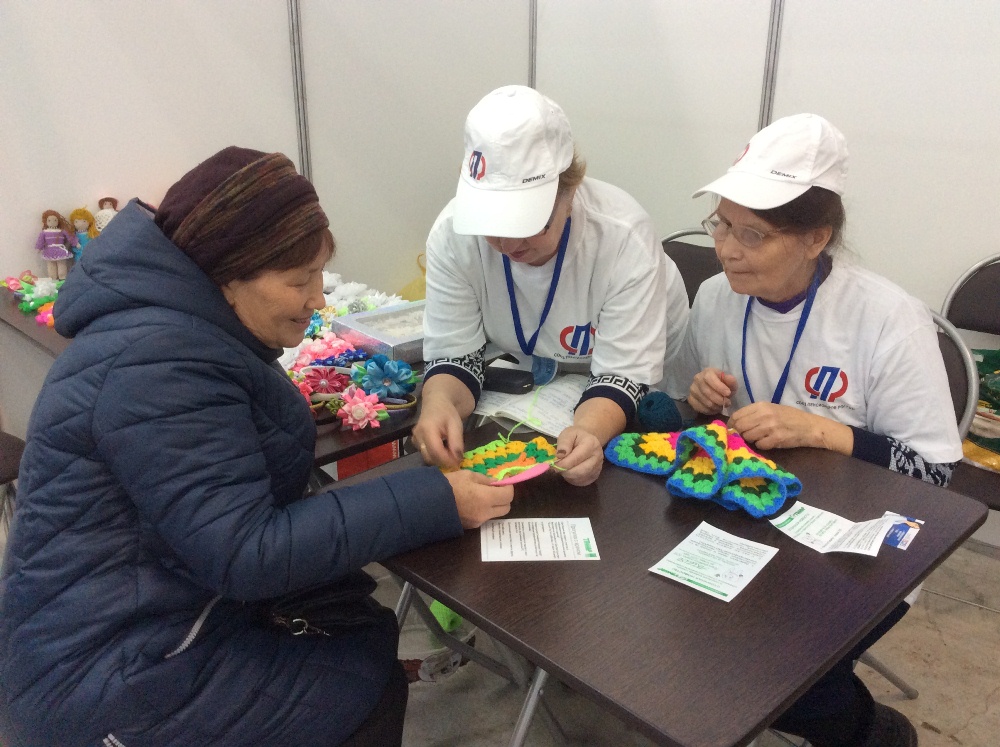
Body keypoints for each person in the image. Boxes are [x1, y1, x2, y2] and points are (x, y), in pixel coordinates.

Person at [0, 147, 514, 747]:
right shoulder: (157, 366)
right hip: (103, 679)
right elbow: (247, 553)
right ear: (228, 277)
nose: (319, 299)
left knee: (356, 623)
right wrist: (435, 499)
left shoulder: (179, 330)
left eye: (320, 275)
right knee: (358, 677)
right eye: (299, 281)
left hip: (149, 617)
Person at [668, 113, 962, 747]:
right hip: (749, 515)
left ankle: (874, 733)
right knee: (681, 635)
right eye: (721, 224)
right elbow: (684, 408)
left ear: (815, 238)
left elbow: (938, 475)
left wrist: (824, 431)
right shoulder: (717, 296)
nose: (726, 249)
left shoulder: (887, 318)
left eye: (752, 234)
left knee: (783, 678)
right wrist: (697, 398)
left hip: (857, 541)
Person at [416, 85, 690, 485]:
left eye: (527, 223)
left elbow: (622, 376)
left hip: (630, 378)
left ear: (570, 189)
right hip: (535, 378)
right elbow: (456, 356)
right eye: (490, 223)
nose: (507, 243)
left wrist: (588, 434)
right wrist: (438, 404)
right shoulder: (452, 236)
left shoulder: (622, 237)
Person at [34, 209, 78, 279]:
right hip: (49, 251)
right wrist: (39, 248)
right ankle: (52, 278)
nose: (52, 222)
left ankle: (63, 277)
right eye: (49, 220)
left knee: (62, 265)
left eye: (55, 220)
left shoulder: (61, 231)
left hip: (60, 250)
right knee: (51, 266)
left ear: (58, 221)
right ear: (46, 222)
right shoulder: (44, 232)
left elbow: (70, 237)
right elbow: (40, 241)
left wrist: (75, 243)